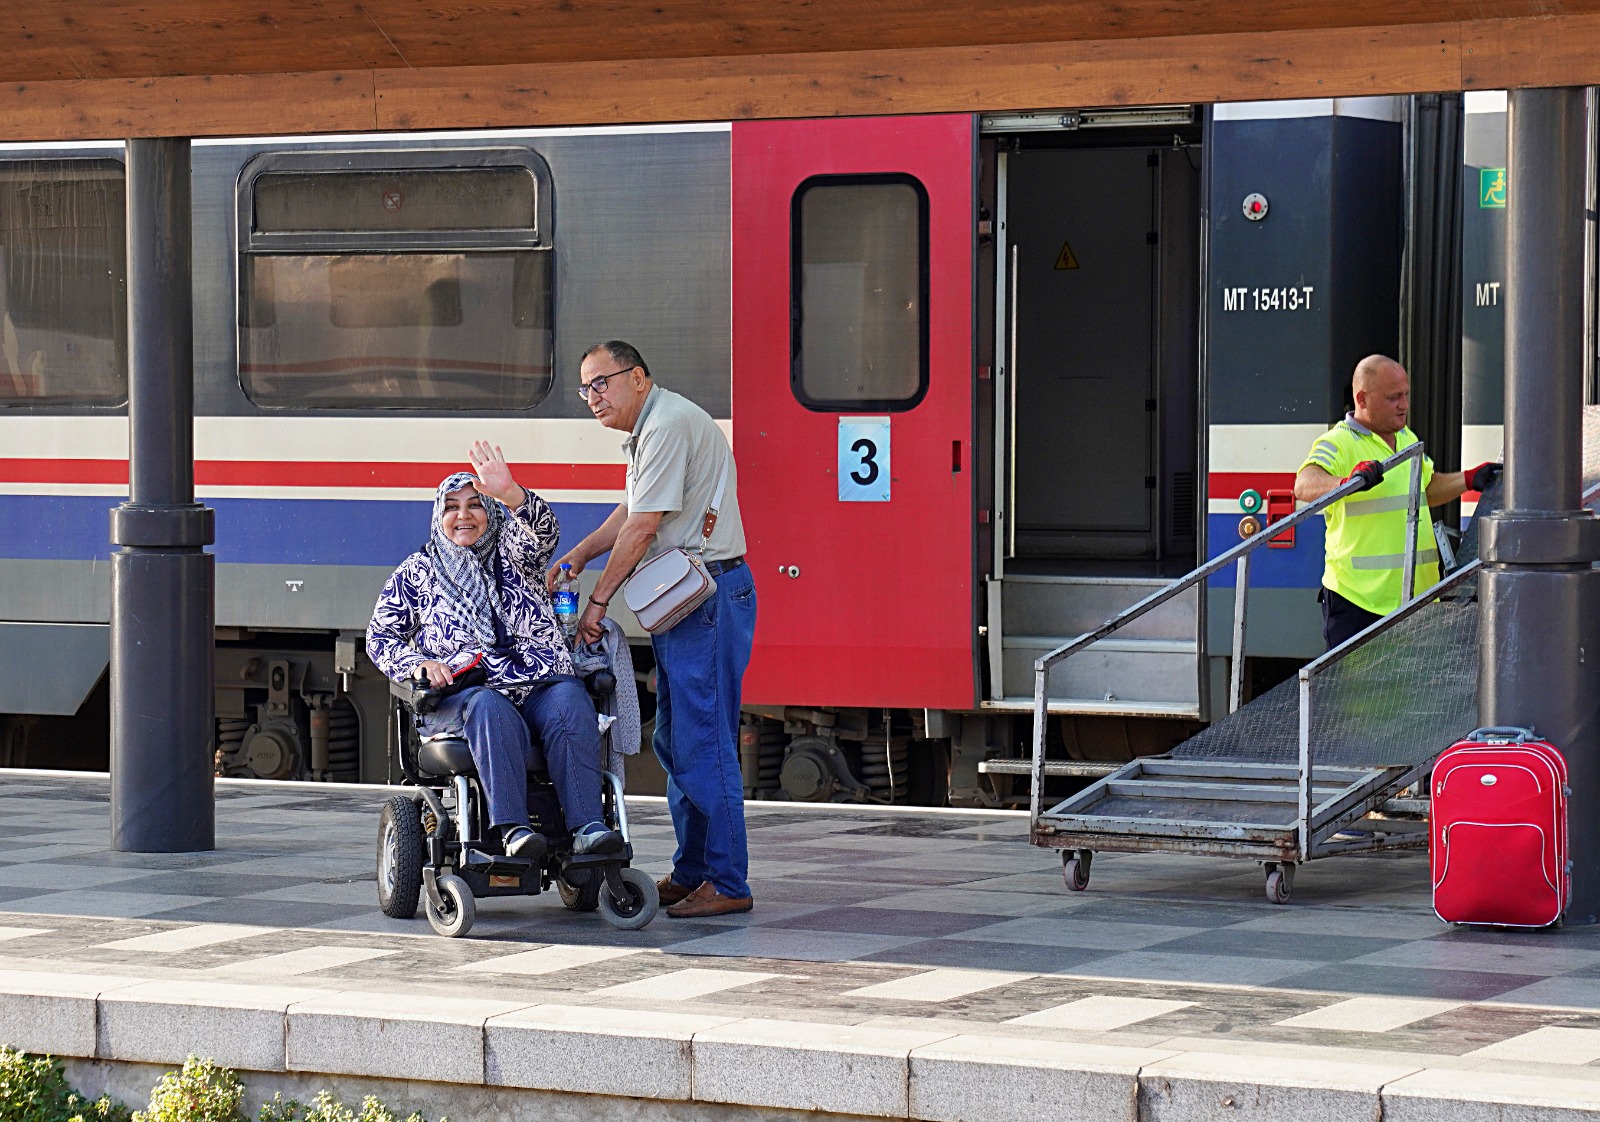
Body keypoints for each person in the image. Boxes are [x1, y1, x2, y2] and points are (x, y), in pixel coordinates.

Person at [552, 341, 757, 919]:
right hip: (690, 602)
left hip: (705, 601)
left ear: (638, 377)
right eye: (585, 389)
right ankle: (693, 871)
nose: (593, 397)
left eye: (602, 383)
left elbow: (643, 528)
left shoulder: (665, 426)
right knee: (676, 739)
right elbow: (632, 509)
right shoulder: (653, 427)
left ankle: (727, 880)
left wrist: (596, 603)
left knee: (702, 742)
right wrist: (581, 553)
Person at [366, 443, 622, 860]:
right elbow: (380, 637)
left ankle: (588, 827)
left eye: (475, 505)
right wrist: (419, 663)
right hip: (467, 694)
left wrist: (512, 494)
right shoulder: (418, 571)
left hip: (538, 684)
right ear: (438, 516)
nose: (463, 515)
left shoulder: (515, 553)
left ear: (490, 511)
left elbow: (544, 534)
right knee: (490, 707)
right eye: (451, 507)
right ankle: (514, 830)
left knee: (570, 697)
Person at [1294, 355, 1501, 649]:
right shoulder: (1338, 442)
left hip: (1418, 602)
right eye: (1393, 398)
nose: (1404, 405)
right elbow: (1304, 485)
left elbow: (1426, 489)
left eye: (1405, 395)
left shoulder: (1405, 438)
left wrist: (1468, 479)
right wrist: (1346, 482)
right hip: (1360, 605)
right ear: (1362, 399)